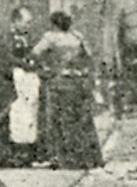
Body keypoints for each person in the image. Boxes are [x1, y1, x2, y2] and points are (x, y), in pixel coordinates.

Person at [33, 11, 105, 169]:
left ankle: (66, 158)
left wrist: (46, 67)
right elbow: (89, 56)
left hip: (59, 82)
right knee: (82, 120)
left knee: (60, 121)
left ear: (54, 24)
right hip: (78, 82)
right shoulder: (77, 37)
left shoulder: (50, 38)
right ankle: (88, 158)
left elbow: (35, 54)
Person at [7, 7, 43, 166]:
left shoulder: (30, 37)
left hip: (30, 77)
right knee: (19, 113)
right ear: (16, 21)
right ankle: (19, 151)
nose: (28, 25)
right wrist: (22, 64)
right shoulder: (8, 37)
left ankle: (31, 150)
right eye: (26, 22)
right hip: (18, 76)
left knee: (32, 112)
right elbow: (8, 56)